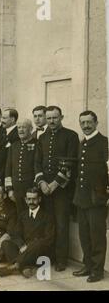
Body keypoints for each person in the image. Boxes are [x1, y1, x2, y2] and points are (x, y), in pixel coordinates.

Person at [34, 106, 79, 271]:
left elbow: (71, 163)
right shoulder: (42, 138)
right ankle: (50, 256)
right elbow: (37, 162)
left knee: (61, 225)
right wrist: (42, 183)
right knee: (49, 225)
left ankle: (61, 260)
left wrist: (53, 184)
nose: (52, 121)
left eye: (55, 118)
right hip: (45, 189)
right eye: (49, 118)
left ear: (61, 117)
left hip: (62, 191)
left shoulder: (71, 136)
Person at [72, 111, 108, 283]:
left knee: (97, 236)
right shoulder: (81, 143)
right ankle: (87, 266)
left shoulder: (104, 143)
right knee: (84, 234)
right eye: (82, 123)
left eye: (89, 122)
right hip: (82, 198)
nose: (85, 126)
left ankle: (97, 270)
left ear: (96, 122)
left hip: (97, 199)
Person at [0, 187, 55, 278]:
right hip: (24, 251)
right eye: (29, 199)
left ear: (39, 199)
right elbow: (16, 234)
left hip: (40, 253)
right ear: (25, 200)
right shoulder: (23, 215)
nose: (31, 202)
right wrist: (21, 245)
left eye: (34, 199)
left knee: (37, 243)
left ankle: (15, 265)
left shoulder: (47, 216)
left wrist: (30, 247)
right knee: (5, 243)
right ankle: (24, 268)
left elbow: (49, 239)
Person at [5, 119, 37, 215]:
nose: (21, 130)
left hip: (31, 188)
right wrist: (9, 189)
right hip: (16, 190)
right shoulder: (13, 146)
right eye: (19, 127)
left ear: (31, 129)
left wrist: (35, 188)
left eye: (24, 127)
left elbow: (38, 167)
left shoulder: (37, 144)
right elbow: (8, 168)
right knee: (18, 216)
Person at [0, 108, 19, 185]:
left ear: (12, 119)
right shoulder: (3, 132)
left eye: (4, 118)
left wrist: (1, 175)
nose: (1, 120)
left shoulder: (17, 135)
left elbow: (11, 159)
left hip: (7, 176)